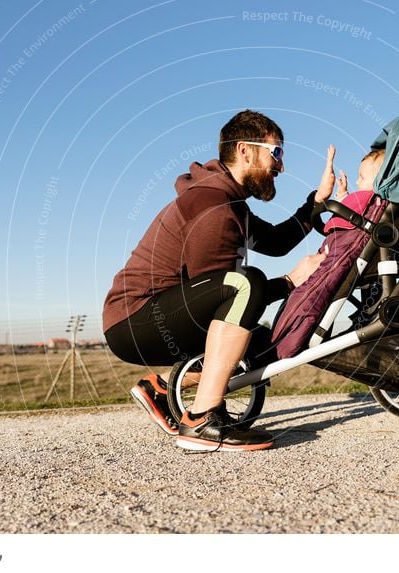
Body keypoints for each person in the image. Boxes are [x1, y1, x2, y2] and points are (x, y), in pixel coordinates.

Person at [103, 110, 338, 451]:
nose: (281, 166)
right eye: (276, 153)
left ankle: (163, 389)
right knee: (246, 283)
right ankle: (202, 419)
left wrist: (314, 203)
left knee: (264, 343)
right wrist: (289, 281)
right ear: (245, 150)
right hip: (134, 319)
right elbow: (225, 291)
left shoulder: (231, 205)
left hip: (156, 315)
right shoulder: (211, 205)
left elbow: (274, 242)